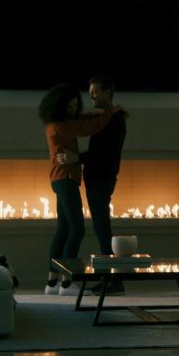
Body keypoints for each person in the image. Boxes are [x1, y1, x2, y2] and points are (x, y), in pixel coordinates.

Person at [39, 82, 125, 295]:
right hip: (66, 178)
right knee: (77, 229)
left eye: (74, 106)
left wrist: (100, 112)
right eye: (68, 106)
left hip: (61, 179)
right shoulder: (61, 125)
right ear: (59, 106)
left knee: (63, 230)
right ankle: (68, 282)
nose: (72, 110)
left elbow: (83, 119)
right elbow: (89, 127)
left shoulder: (59, 122)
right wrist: (109, 113)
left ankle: (52, 282)